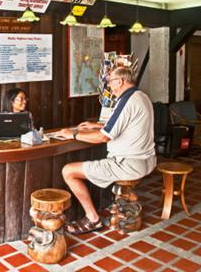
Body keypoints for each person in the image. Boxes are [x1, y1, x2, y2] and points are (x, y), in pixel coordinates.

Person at [55, 66, 156, 234]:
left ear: (120, 81)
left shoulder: (126, 100)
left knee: (68, 171)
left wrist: (72, 134)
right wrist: (96, 125)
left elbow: (103, 137)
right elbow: (124, 125)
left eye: (110, 83)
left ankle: (92, 219)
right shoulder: (141, 96)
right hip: (147, 161)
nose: (110, 87)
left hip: (128, 164)